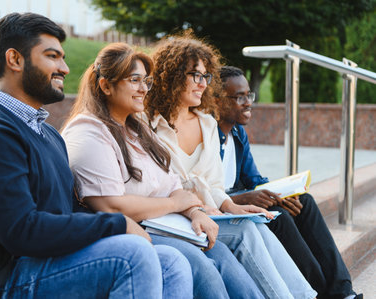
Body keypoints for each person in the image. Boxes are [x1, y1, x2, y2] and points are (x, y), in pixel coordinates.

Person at [0, 13, 193, 298]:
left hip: (49, 261)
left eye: (62, 58)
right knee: (131, 254)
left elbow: (66, 212)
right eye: (52, 56)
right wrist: (117, 223)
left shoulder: (47, 134)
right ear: (14, 60)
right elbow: (20, 231)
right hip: (2, 277)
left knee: (171, 261)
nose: (64, 68)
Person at [61, 42, 264, 299]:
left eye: (146, 80)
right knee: (201, 265)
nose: (144, 88)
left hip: (163, 224)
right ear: (106, 85)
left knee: (220, 251)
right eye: (135, 80)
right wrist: (173, 203)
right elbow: (111, 206)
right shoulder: (89, 131)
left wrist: (195, 211)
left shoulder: (137, 128)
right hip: (128, 231)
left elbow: (173, 184)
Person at [144, 33, 317, 299]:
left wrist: (231, 206)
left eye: (206, 76)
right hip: (172, 218)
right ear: (173, 76)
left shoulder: (207, 124)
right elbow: (160, 187)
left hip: (207, 213)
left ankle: (304, 296)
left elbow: (213, 185)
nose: (203, 84)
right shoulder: (148, 125)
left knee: (256, 223)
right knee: (246, 229)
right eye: (195, 75)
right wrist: (206, 208)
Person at [216, 65, 362, 299]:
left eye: (249, 95)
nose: (248, 102)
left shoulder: (238, 134)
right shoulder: (207, 135)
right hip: (223, 209)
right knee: (279, 218)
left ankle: (343, 292)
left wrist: (281, 195)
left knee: (303, 202)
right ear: (216, 101)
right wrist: (246, 198)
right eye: (239, 97)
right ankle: (320, 293)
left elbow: (255, 180)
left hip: (242, 202)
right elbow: (206, 193)